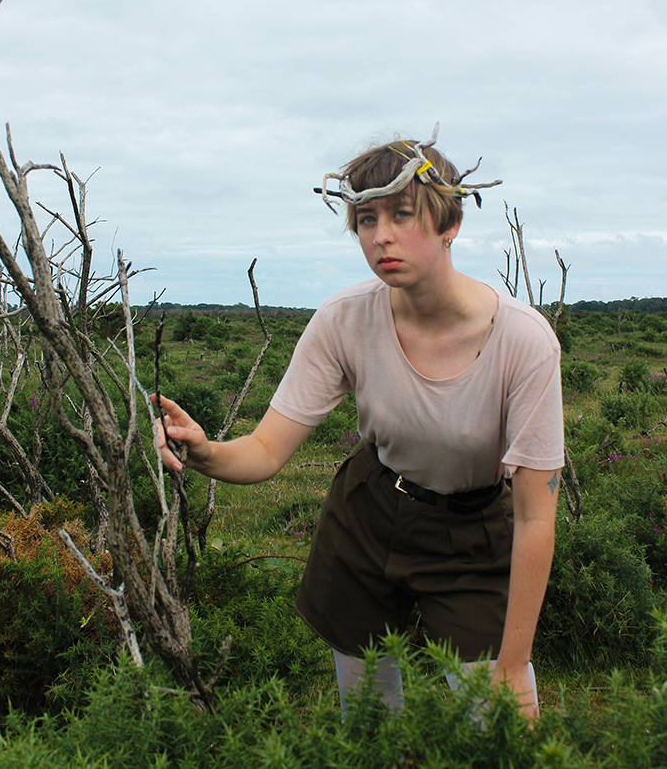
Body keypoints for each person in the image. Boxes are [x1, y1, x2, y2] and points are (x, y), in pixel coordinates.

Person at [154, 128, 564, 717]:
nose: (382, 236)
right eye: (366, 220)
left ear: (451, 225)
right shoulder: (344, 320)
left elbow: (533, 517)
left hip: (473, 529)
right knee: (372, 715)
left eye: (402, 214)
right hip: (369, 513)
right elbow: (267, 449)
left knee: (502, 723)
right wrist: (204, 452)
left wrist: (509, 664)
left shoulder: (523, 341)